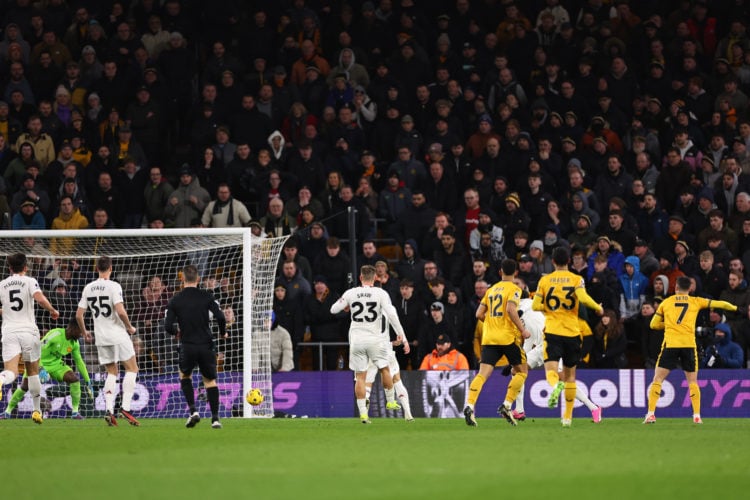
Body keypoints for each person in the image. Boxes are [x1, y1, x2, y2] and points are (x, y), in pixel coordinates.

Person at [645, 276, 738, 424]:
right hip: (688, 344)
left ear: (676, 288)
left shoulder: (666, 302)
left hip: (671, 344)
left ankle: (650, 414)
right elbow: (719, 303)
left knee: (658, 379)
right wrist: (735, 308)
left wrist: (669, 325)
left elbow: (653, 325)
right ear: (689, 289)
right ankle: (696, 416)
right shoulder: (696, 301)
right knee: (692, 382)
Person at [532, 246, 604, 427]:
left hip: (553, 331)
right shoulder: (576, 279)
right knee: (571, 377)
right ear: (569, 262)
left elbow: (535, 306)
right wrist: (598, 307)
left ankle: (556, 386)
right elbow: (583, 298)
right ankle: (567, 418)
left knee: (551, 371)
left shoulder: (545, 281)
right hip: (573, 332)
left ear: (553, 262)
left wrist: (550, 308)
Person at [330, 265, 408, 424]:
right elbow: (392, 315)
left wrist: (346, 305)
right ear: (374, 278)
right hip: (375, 340)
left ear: (360, 278)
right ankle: (390, 401)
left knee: (360, 377)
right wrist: (402, 336)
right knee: (385, 369)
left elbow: (333, 309)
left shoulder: (351, 293)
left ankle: (363, 414)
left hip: (357, 340)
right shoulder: (381, 293)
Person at [463, 259, 531, 427]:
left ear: (500, 272)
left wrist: (492, 323)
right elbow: (510, 309)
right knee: (521, 372)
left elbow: (479, 314)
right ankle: (507, 405)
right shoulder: (515, 289)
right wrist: (522, 330)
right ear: (515, 273)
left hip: (489, 338)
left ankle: (469, 405)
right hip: (508, 338)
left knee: (482, 374)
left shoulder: (491, 290)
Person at [76, 256, 139, 427]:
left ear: (97, 269)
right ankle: (125, 407)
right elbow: (120, 311)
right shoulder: (114, 286)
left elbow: (79, 314)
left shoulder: (88, 288)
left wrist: (84, 332)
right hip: (117, 334)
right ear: (110, 268)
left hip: (101, 337)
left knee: (112, 372)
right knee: (132, 368)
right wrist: (129, 327)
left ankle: (109, 410)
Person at [164, 265, 227, 429]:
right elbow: (220, 316)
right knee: (210, 381)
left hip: (188, 345)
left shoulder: (175, 300)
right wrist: (223, 332)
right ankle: (215, 419)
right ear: (198, 279)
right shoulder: (207, 296)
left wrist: (176, 331)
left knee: (185, 376)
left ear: (182, 279)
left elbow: (167, 326)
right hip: (206, 345)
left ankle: (193, 411)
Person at [0, 253, 60, 424]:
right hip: (28, 332)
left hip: (9, 332)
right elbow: (39, 298)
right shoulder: (30, 281)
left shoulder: (2, 285)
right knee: (32, 372)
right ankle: (36, 411)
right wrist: (52, 310)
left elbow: (7, 308)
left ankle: (1, 379)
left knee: (11, 371)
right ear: (25, 267)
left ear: (10, 268)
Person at [3, 320, 93, 419]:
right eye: (80, 331)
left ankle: (75, 413)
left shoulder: (74, 344)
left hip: (55, 365)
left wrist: (88, 381)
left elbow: (79, 362)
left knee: (74, 379)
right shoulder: (55, 334)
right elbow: (37, 349)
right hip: (37, 361)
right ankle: (7, 412)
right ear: (74, 329)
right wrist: (40, 367)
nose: (81, 335)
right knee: (25, 386)